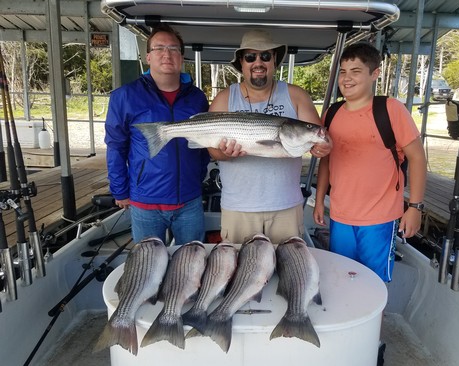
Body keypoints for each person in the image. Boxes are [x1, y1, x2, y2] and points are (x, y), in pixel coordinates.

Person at [313, 42, 427, 282]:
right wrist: (319, 200)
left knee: (375, 283)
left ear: (374, 74)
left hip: (380, 218)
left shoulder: (390, 109)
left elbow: (417, 158)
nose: (347, 79)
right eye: (343, 72)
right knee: (341, 278)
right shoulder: (331, 113)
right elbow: (326, 160)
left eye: (356, 71)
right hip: (340, 215)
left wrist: (415, 207)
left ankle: (375, 321)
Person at [209, 29, 332, 244]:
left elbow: (319, 134)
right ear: (242, 62)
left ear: (275, 60)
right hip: (239, 208)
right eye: (251, 57)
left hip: (286, 207)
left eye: (266, 56)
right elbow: (212, 150)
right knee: (240, 272)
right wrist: (225, 154)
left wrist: (324, 145)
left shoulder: (296, 95)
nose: (258, 62)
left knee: (289, 271)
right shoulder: (224, 98)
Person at [105, 24, 210, 245]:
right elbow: (116, 146)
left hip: (189, 200)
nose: (166, 54)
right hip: (145, 202)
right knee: (148, 266)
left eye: (173, 48)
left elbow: (203, 145)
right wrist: (120, 190)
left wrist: (197, 178)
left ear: (182, 57)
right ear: (148, 56)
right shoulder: (124, 96)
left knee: (192, 264)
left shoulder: (197, 97)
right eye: (159, 48)